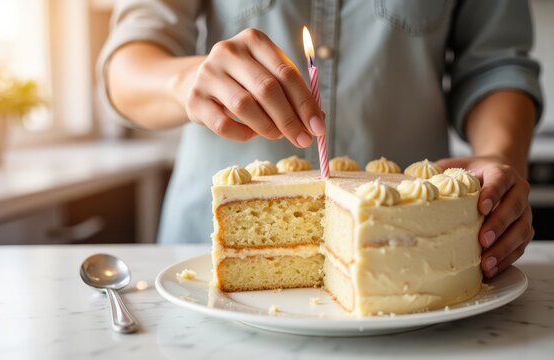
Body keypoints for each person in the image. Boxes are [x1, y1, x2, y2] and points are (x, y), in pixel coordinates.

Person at [98, 0, 542, 279]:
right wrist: (186, 79)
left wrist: (499, 158)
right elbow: (126, 66)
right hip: (199, 245)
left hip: (413, 253)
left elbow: (497, 63)